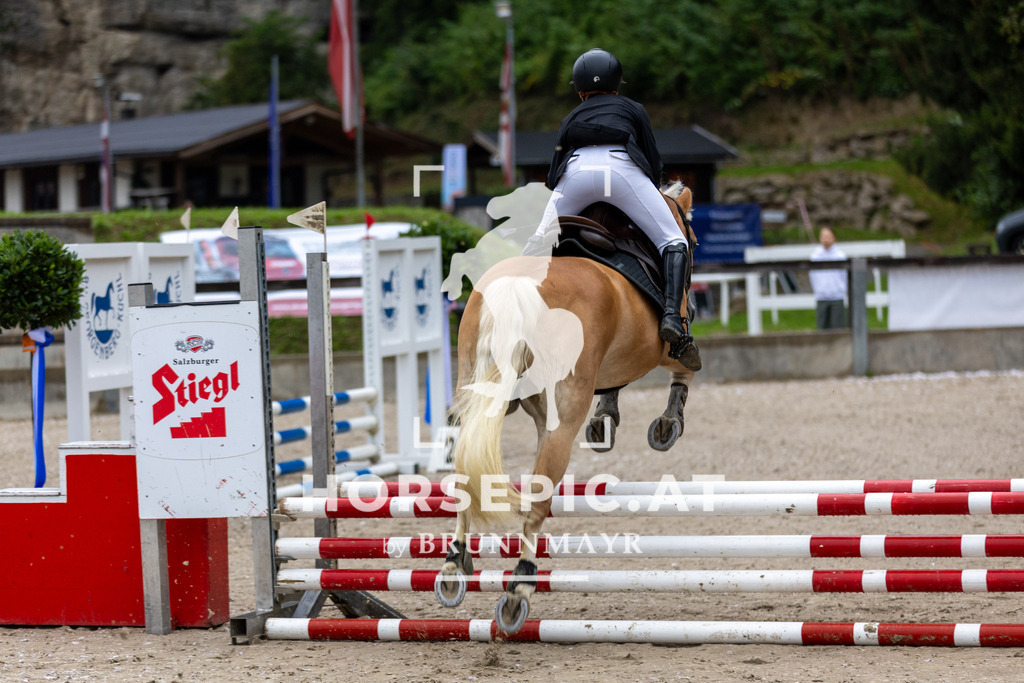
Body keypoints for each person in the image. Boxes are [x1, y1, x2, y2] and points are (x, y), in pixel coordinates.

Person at [526, 48, 700, 371]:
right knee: (674, 240)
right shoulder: (633, 108)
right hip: (621, 171)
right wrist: (644, 192)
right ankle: (672, 320)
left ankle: (516, 316)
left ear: (580, 92)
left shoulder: (571, 117)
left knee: (536, 243)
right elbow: (652, 161)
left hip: (575, 173)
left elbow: (553, 173)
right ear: (617, 87)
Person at [809, 227, 848, 329]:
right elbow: (813, 276)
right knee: (822, 328)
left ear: (834, 238)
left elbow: (844, 276)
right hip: (821, 296)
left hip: (837, 296)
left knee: (838, 328)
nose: (826, 240)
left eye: (828, 237)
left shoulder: (840, 256)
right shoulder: (815, 256)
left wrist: (841, 289)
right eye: (824, 237)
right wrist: (818, 290)